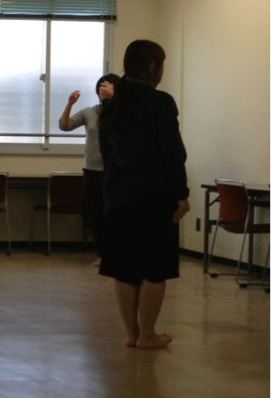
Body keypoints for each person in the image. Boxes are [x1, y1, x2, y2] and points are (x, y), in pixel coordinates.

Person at [98, 40, 189, 349]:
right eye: (161, 65)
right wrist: (182, 194)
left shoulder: (112, 105)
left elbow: (107, 155)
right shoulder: (160, 103)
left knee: (124, 269)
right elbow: (173, 153)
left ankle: (132, 333)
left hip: (118, 197)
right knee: (155, 268)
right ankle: (148, 334)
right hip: (154, 196)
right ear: (152, 66)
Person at [58, 73, 120, 264]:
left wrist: (115, 99)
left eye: (108, 87)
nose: (103, 90)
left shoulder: (123, 112)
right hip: (92, 171)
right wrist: (70, 104)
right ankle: (103, 253)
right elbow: (64, 126)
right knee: (92, 212)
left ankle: (112, 254)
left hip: (115, 171)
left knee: (113, 212)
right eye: (101, 87)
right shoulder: (89, 112)